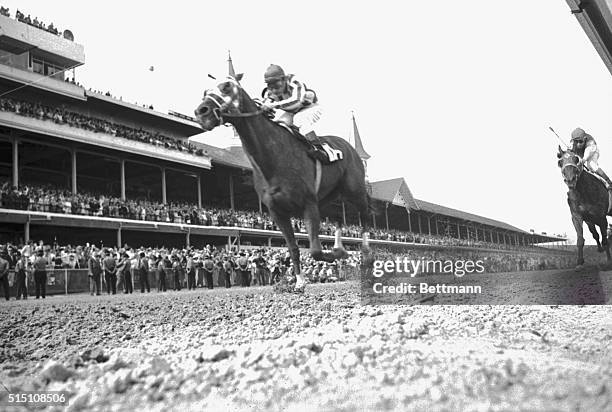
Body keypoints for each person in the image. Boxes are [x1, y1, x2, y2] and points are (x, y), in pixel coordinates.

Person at [261, 64, 323, 146]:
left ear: (283, 79)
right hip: (292, 111)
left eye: (276, 83)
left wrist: (273, 105)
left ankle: (318, 148)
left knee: (300, 119)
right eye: (270, 84)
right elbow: (266, 105)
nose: (274, 88)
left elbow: (297, 101)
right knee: (278, 123)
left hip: (309, 107)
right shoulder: (270, 90)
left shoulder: (295, 81)